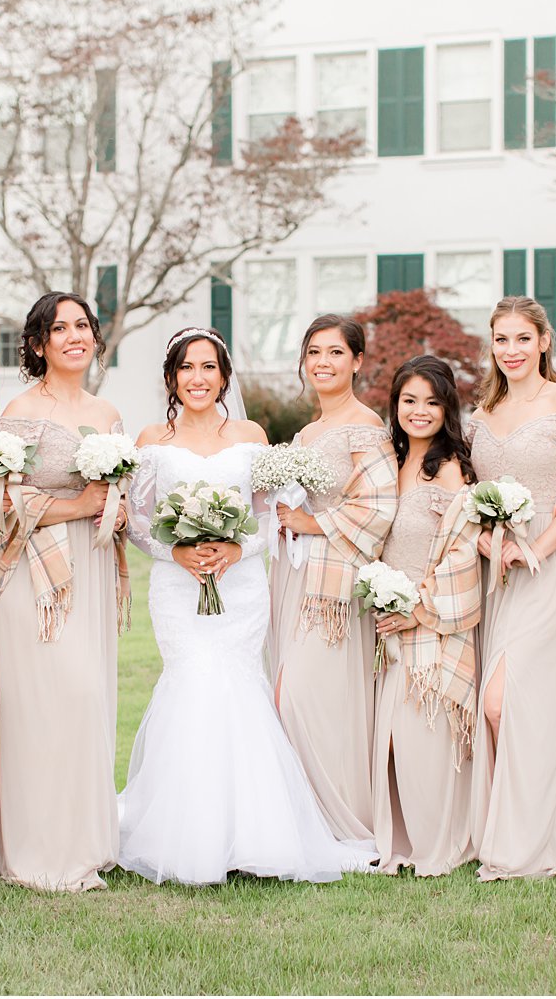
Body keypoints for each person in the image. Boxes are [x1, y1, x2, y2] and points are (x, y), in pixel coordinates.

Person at [117, 326, 376, 885]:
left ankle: (255, 834)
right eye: (187, 368)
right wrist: (175, 551)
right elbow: (137, 522)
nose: (198, 378)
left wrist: (238, 548)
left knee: (238, 686)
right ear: (171, 378)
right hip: (177, 586)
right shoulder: (150, 439)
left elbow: (270, 517)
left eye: (209, 367)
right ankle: (183, 833)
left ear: (224, 377)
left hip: (239, 589)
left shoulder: (252, 435)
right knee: (191, 683)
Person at [0, 291, 123, 893]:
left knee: (85, 703)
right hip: (31, 576)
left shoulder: (108, 413)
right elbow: (1, 504)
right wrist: (77, 506)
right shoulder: (19, 410)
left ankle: (80, 841)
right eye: (59, 329)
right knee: (44, 704)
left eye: (82, 326)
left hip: (88, 573)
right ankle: (35, 849)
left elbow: (121, 497)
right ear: (37, 344)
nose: (74, 337)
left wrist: (113, 507)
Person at [464, 297, 556, 881]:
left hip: (553, 563)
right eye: (501, 340)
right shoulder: (481, 412)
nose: (512, 351)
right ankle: (519, 830)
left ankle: (538, 841)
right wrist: (489, 543)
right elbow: (470, 497)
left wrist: (535, 550)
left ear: (544, 341)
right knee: (504, 707)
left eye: (523, 339)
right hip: (499, 574)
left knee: (514, 701)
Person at [268, 316, 398, 845]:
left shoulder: (367, 428)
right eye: (314, 353)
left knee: (307, 694)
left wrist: (310, 522)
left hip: (336, 584)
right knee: (289, 691)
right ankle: (303, 815)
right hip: (295, 575)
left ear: (358, 361)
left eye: (335, 353)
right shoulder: (307, 432)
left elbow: (379, 509)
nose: (322, 363)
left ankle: (343, 817)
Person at [369, 356, 482, 876]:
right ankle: (400, 842)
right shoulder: (385, 462)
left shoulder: (451, 467)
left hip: (430, 620)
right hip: (387, 621)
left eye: (432, 402)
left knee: (424, 736)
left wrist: (419, 609)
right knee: (392, 743)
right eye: (409, 400)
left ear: (447, 408)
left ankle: (438, 844)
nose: (419, 412)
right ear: (395, 404)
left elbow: (463, 550)